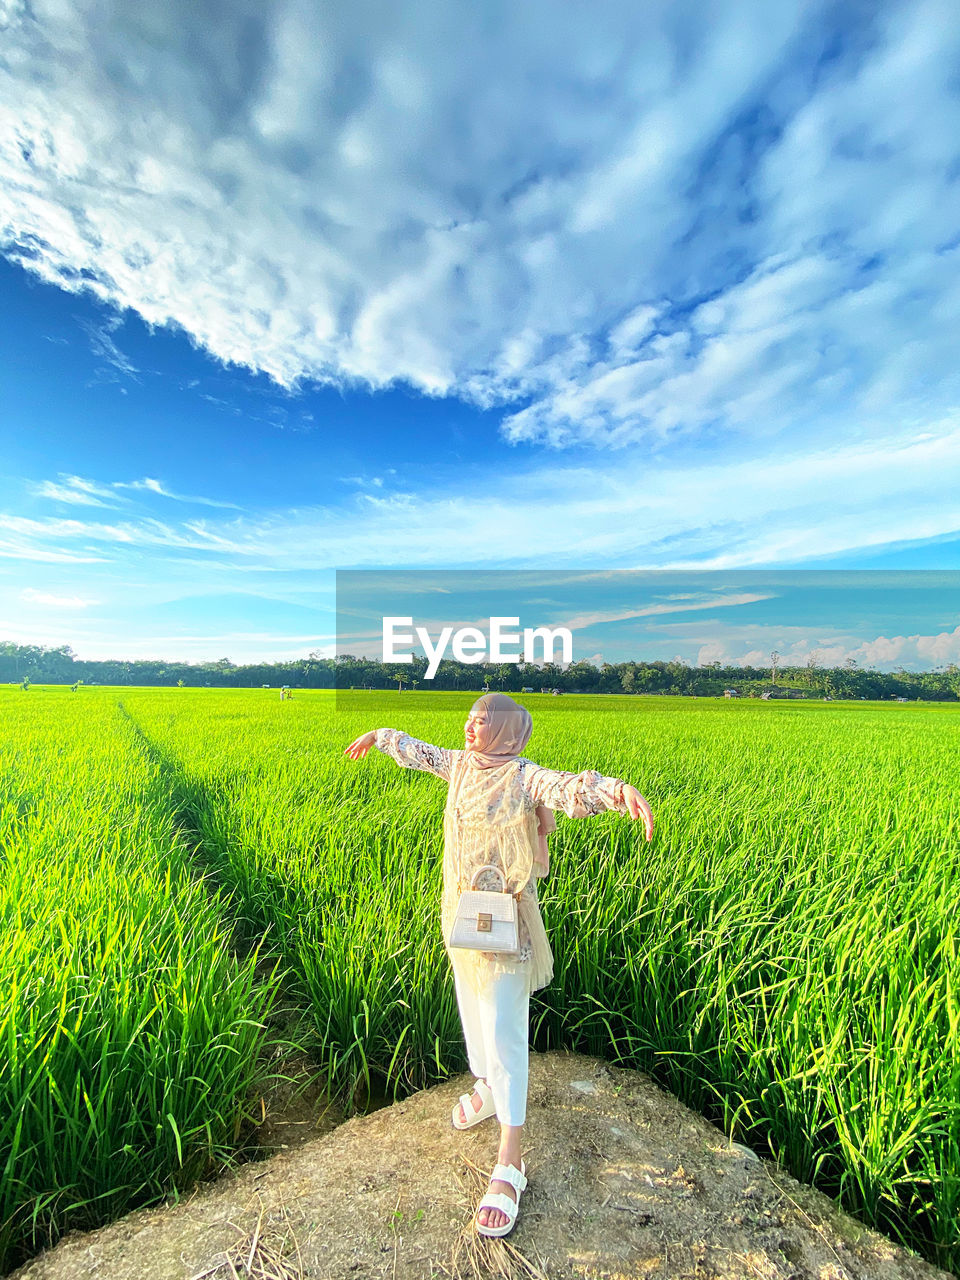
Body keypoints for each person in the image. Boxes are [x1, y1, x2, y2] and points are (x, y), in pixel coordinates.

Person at [344, 693, 653, 1237]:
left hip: (507, 920)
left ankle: (511, 1160)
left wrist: (615, 791)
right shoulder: (460, 765)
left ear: (507, 730)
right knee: (472, 1009)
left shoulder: (521, 775)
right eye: (469, 717)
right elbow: (420, 752)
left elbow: (566, 787)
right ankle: (487, 1088)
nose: (469, 726)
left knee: (506, 1027)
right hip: (463, 911)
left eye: (481, 720)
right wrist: (382, 735)